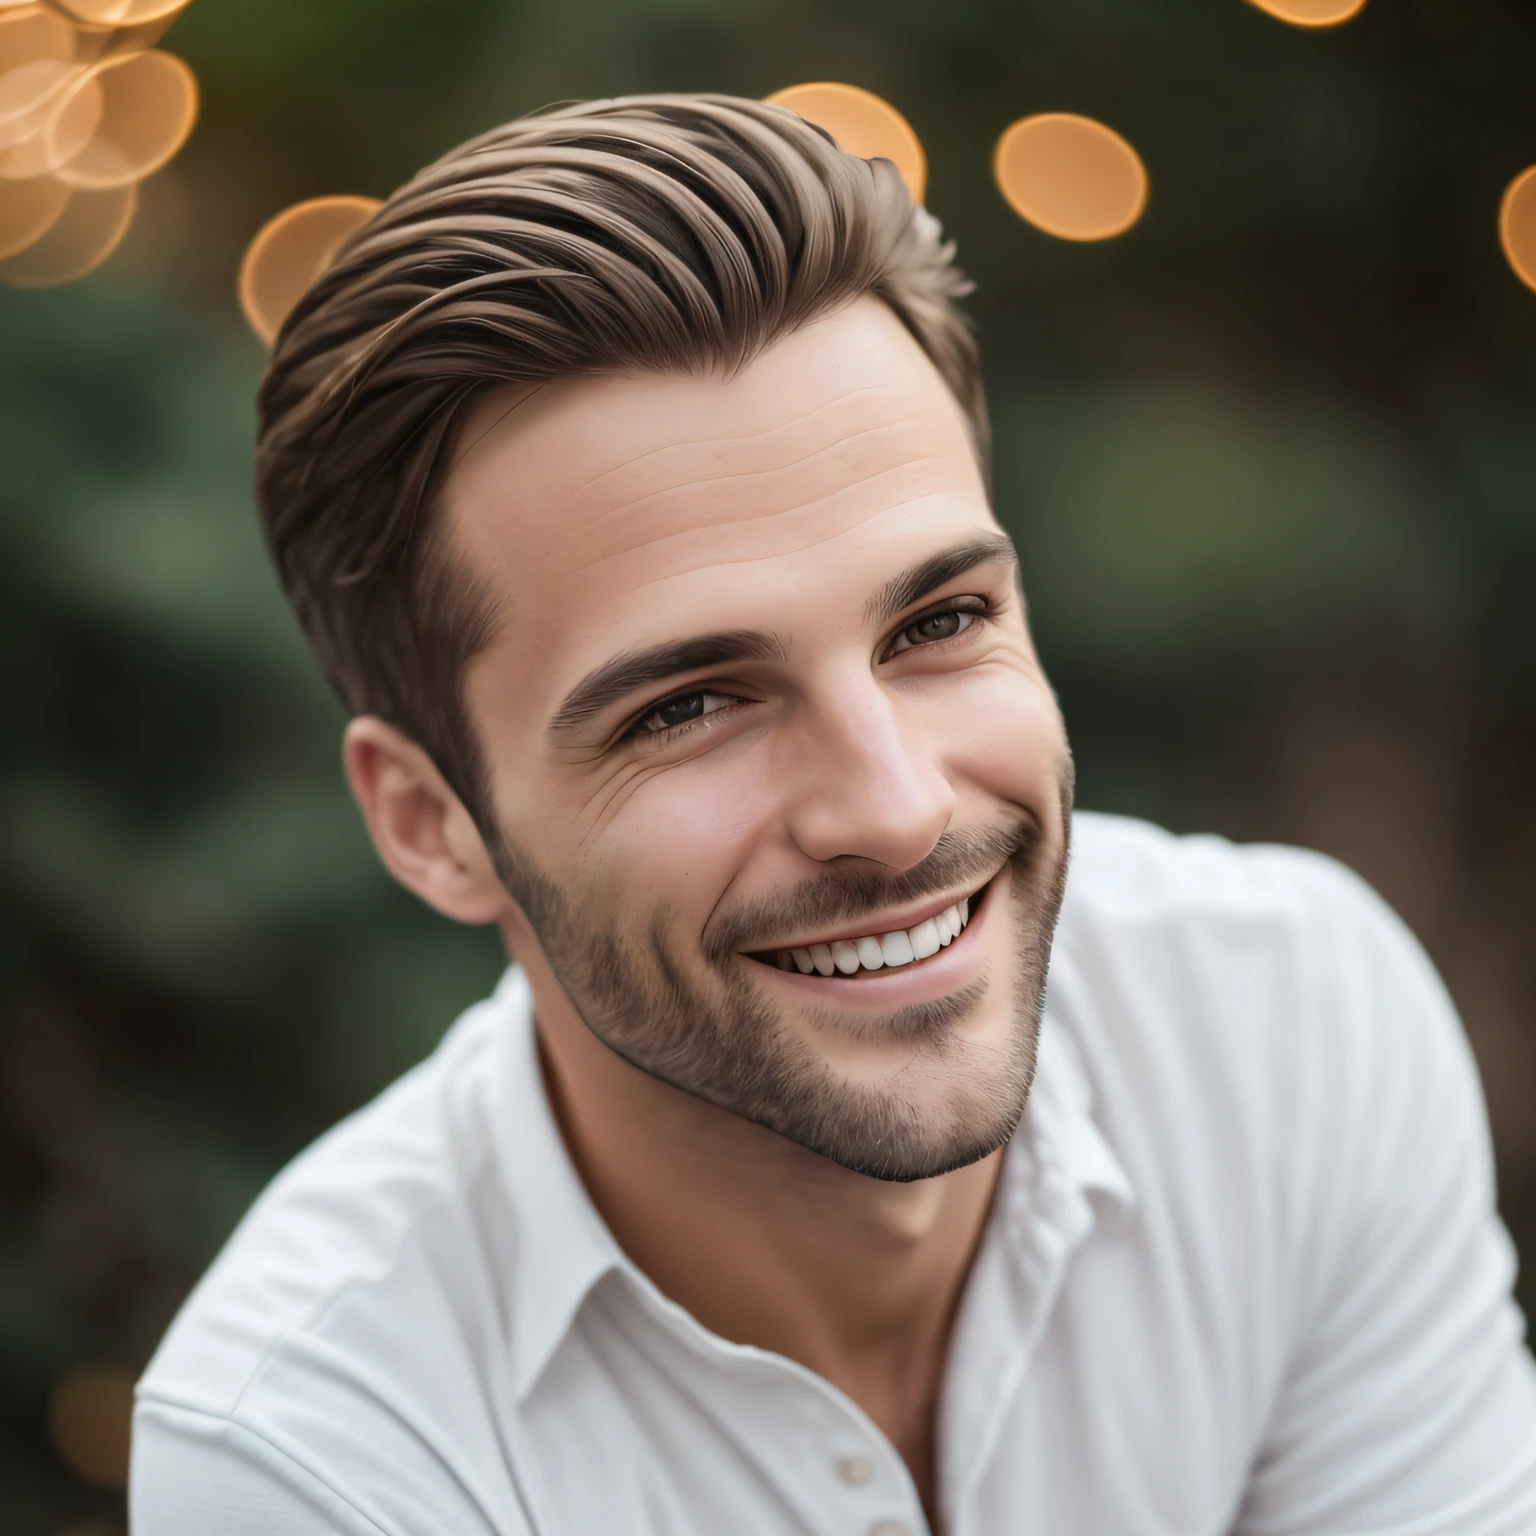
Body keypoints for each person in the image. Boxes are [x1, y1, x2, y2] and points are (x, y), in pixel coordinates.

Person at [130, 94, 1536, 1535]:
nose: (896, 806)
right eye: (686, 706)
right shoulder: (316, 1454)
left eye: (939, 619)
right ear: (435, 825)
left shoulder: (1288, 1030)